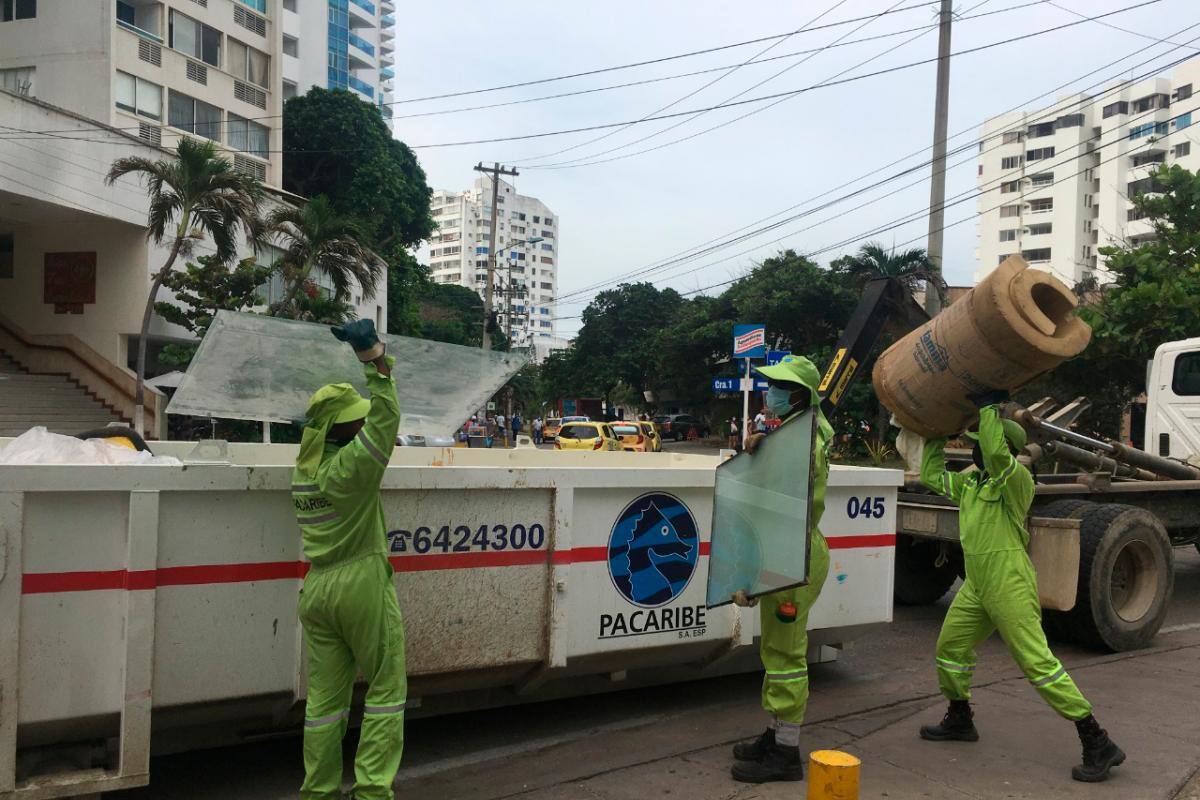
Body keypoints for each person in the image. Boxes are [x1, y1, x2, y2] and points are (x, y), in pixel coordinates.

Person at [916, 391, 1125, 783]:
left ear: (1005, 448)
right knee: (951, 648)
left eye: (980, 446)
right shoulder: (973, 487)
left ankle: (1096, 738)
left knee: (1037, 664)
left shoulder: (1016, 481)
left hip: (1009, 582)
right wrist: (935, 434)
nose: (976, 453)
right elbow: (930, 476)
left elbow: (996, 455)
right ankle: (960, 718)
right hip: (978, 584)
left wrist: (987, 410)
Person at [291, 319, 407, 800]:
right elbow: (387, 417)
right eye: (357, 419)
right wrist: (374, 359)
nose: (365, 423)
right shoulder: (353, 469)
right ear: (347, 427)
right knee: (384, 691)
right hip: (360, 582)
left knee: (323, 704)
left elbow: (371, 423)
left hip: (317, 589)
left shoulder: (305, 470)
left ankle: (317, 792)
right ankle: (372, 793)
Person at [729, 355, 833, 784]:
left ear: (799, 395)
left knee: (787, 658)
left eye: (780, 386)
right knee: (776, 653)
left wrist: (757, 574)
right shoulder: (799, 430)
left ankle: (786, 753)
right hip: (786, 551)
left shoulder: (806, 439)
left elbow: (782, 498)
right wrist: (759, 440)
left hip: (792, 557)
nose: (771, 392)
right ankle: (775, 735)